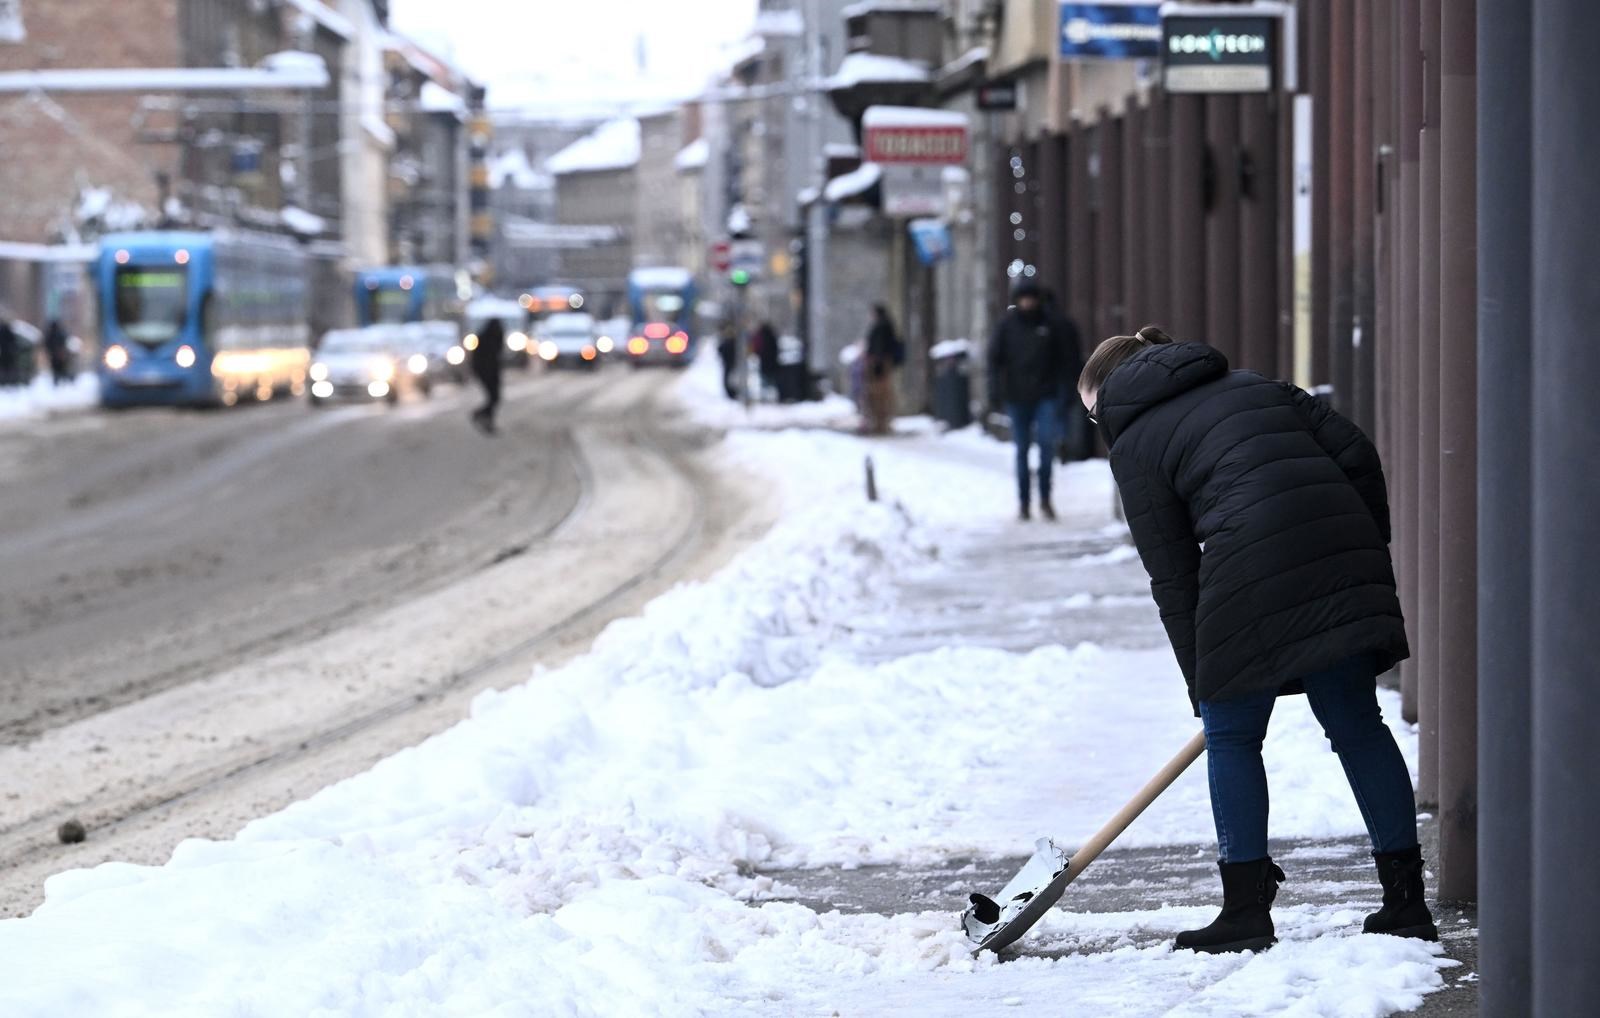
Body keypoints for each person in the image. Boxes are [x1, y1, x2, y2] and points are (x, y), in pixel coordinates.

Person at [1078, 325, 1437, 955]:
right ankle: (1406, 902)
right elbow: (1358, 456)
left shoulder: (1134, 443)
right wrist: (1360, 548)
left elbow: (1173, 570)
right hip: (1338, 557)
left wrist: (1204, 680)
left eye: (1093, 412)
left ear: (1109, 396)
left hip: (1247, 567)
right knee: (1358, 725)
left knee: (1233, 734)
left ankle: (1246, 908)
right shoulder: (1258, 386)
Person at [987, 280, 1080, 520]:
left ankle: (1046, 498)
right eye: (1023, 298)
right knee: (1021, 450)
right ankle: (1024, 501)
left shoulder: (1050, 325)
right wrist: (994, 392)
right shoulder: (1007, 327)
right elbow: (994, 361)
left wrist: (1066, 391)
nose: (1027, 303)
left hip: (1045, 395)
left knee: (1046, 447)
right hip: (1017, 397)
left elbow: (1065, 361)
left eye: (1031, 298)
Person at [863, 304, 901, 435]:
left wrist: (875, 362)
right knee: (881, 395)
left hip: (879, 366)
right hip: (882, 364)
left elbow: (879, 347)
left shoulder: (881, 327)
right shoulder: (886, 325)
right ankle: (882, 423)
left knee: (878, 395)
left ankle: (881, 423)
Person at [470, 316, 505, 435]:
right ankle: (482, 416)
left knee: (494, 398)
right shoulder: (485, 339)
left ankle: (486, 418)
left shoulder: (486, 338)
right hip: (487, 372)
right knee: (493, 397)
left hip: (490, 372)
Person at [716, 319, 740, 400]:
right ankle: (731, 394)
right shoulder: (730, 341)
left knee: (730, 379)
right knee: (729, 379)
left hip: (730, 363)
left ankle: (732, 394)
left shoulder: (731, 341)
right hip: (729, 362)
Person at [44, 319, 72, 386]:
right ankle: (62, 382)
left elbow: (46, 343)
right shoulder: (59, 333)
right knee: (61, 369)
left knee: (57, 369)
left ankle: (59, 382)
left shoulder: (51, 334)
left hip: (56, 355)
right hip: (59, 354)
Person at [0, 316, 17, 388]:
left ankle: (4, 382)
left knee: (4, 368)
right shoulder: (9, 331)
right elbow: (13, 341)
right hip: (9, 353)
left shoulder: (1, 331)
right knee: (9, 368)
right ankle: (9, 382)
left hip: (3, 352)